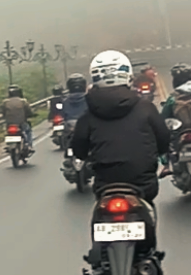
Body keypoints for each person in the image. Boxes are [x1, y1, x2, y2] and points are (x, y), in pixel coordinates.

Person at [70, 50, 170, 209]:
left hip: (105, 185)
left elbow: (79, 150)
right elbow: (164, 140)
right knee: (147, 209)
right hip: (143, 184)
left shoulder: (88, 116)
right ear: (127, 75)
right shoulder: (146, 108)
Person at [0, 83, 35, 153]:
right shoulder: (23, 101)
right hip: (21, 122)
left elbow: (3, 111)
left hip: (10, 123)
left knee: (8, 132)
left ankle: (8, 144)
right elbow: (28, 110)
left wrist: (5, 117)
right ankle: (29, 145)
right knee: (28, 131)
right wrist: (31, 115)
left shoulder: (5, 102)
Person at [60, 72, 88, 143]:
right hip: (86, 125)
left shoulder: (65, 100)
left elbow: (62, 114)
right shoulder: (89, 98)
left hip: (69, 125)